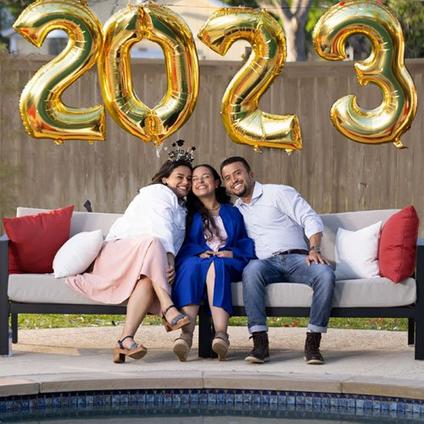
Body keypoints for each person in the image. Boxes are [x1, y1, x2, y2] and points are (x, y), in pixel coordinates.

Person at [66, 154, 193, 363]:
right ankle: (168, 309)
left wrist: (167, 262)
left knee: (147, 281)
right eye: (179, 177)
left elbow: (174, 239)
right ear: (165, 179)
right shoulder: (157, 193)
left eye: (189, 179)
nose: (185, 182)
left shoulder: (181, 207)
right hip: (117, 254)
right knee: (153, 242)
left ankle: (125, 340)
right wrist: (169, 259)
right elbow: (158, 227)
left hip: (142, 258)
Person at [220, 156, 335, 365]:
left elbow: (309, 218)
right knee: (251, 270)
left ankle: (313, 343)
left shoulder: (278, 193)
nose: (233, 179)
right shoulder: (236, 210)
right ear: (226, 185)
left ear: (250, 174)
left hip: (297, 258)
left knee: (325, 273)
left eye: (237, 173)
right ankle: (260, 343)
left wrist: (314, 249)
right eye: (227, 178)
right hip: (265, 264)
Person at [171, 164, 255, 361]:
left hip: (228, 263)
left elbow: (243, 240)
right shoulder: (187, 214)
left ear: (217, 183)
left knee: (217, 264)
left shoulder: (232, 212)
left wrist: (232, 253)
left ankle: (221, 335)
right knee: (191, 266)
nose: (200, 181)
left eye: (206, 177)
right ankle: (185, 335)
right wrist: (198, 252)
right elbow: (182, 243)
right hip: (197, 260)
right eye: (196, 179)